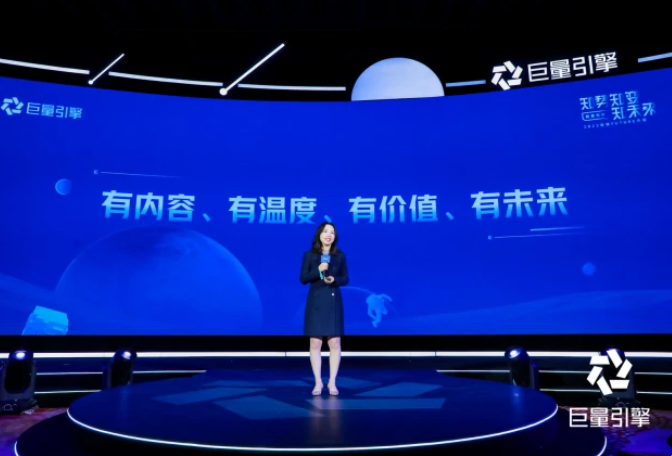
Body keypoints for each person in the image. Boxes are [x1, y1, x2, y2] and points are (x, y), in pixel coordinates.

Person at [300, 222, 348, 396]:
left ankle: (332, 382)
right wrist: (318, 271)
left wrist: (334, 279)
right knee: (315, 343)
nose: (329, 235)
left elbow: (345, 279)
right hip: (316, 300)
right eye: (326, 231)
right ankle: (318, 382)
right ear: (319, 234)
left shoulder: (339, 256)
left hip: (333, 300)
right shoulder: (309, 255)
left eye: (332, 232)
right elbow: (303, 278)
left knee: (334, 342)